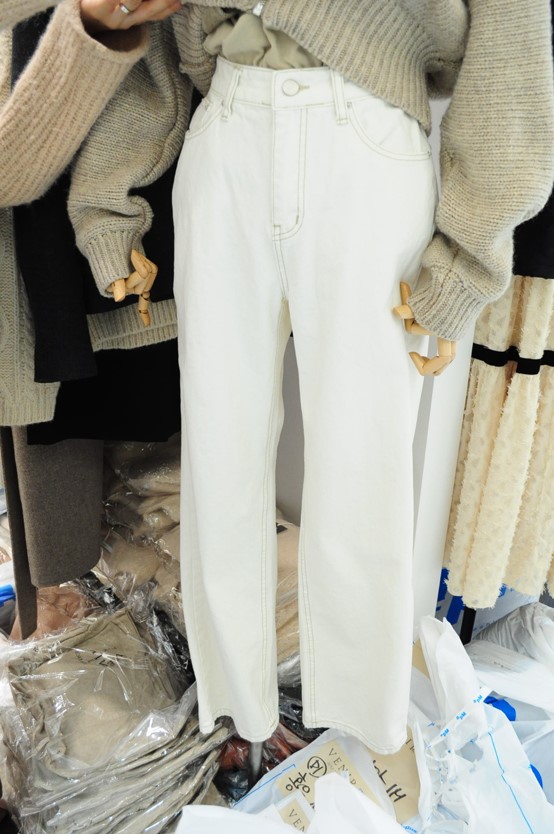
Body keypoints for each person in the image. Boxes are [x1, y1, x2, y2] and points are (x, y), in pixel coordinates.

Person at [70, 0, 554, 755]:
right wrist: (107, 204)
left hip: (367, 137)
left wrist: (464, 262)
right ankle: (239, 716)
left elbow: (510, 49)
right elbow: (148, 33)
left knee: (366, 466)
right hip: (225, 126)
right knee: (218, 454)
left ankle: (360, 739)